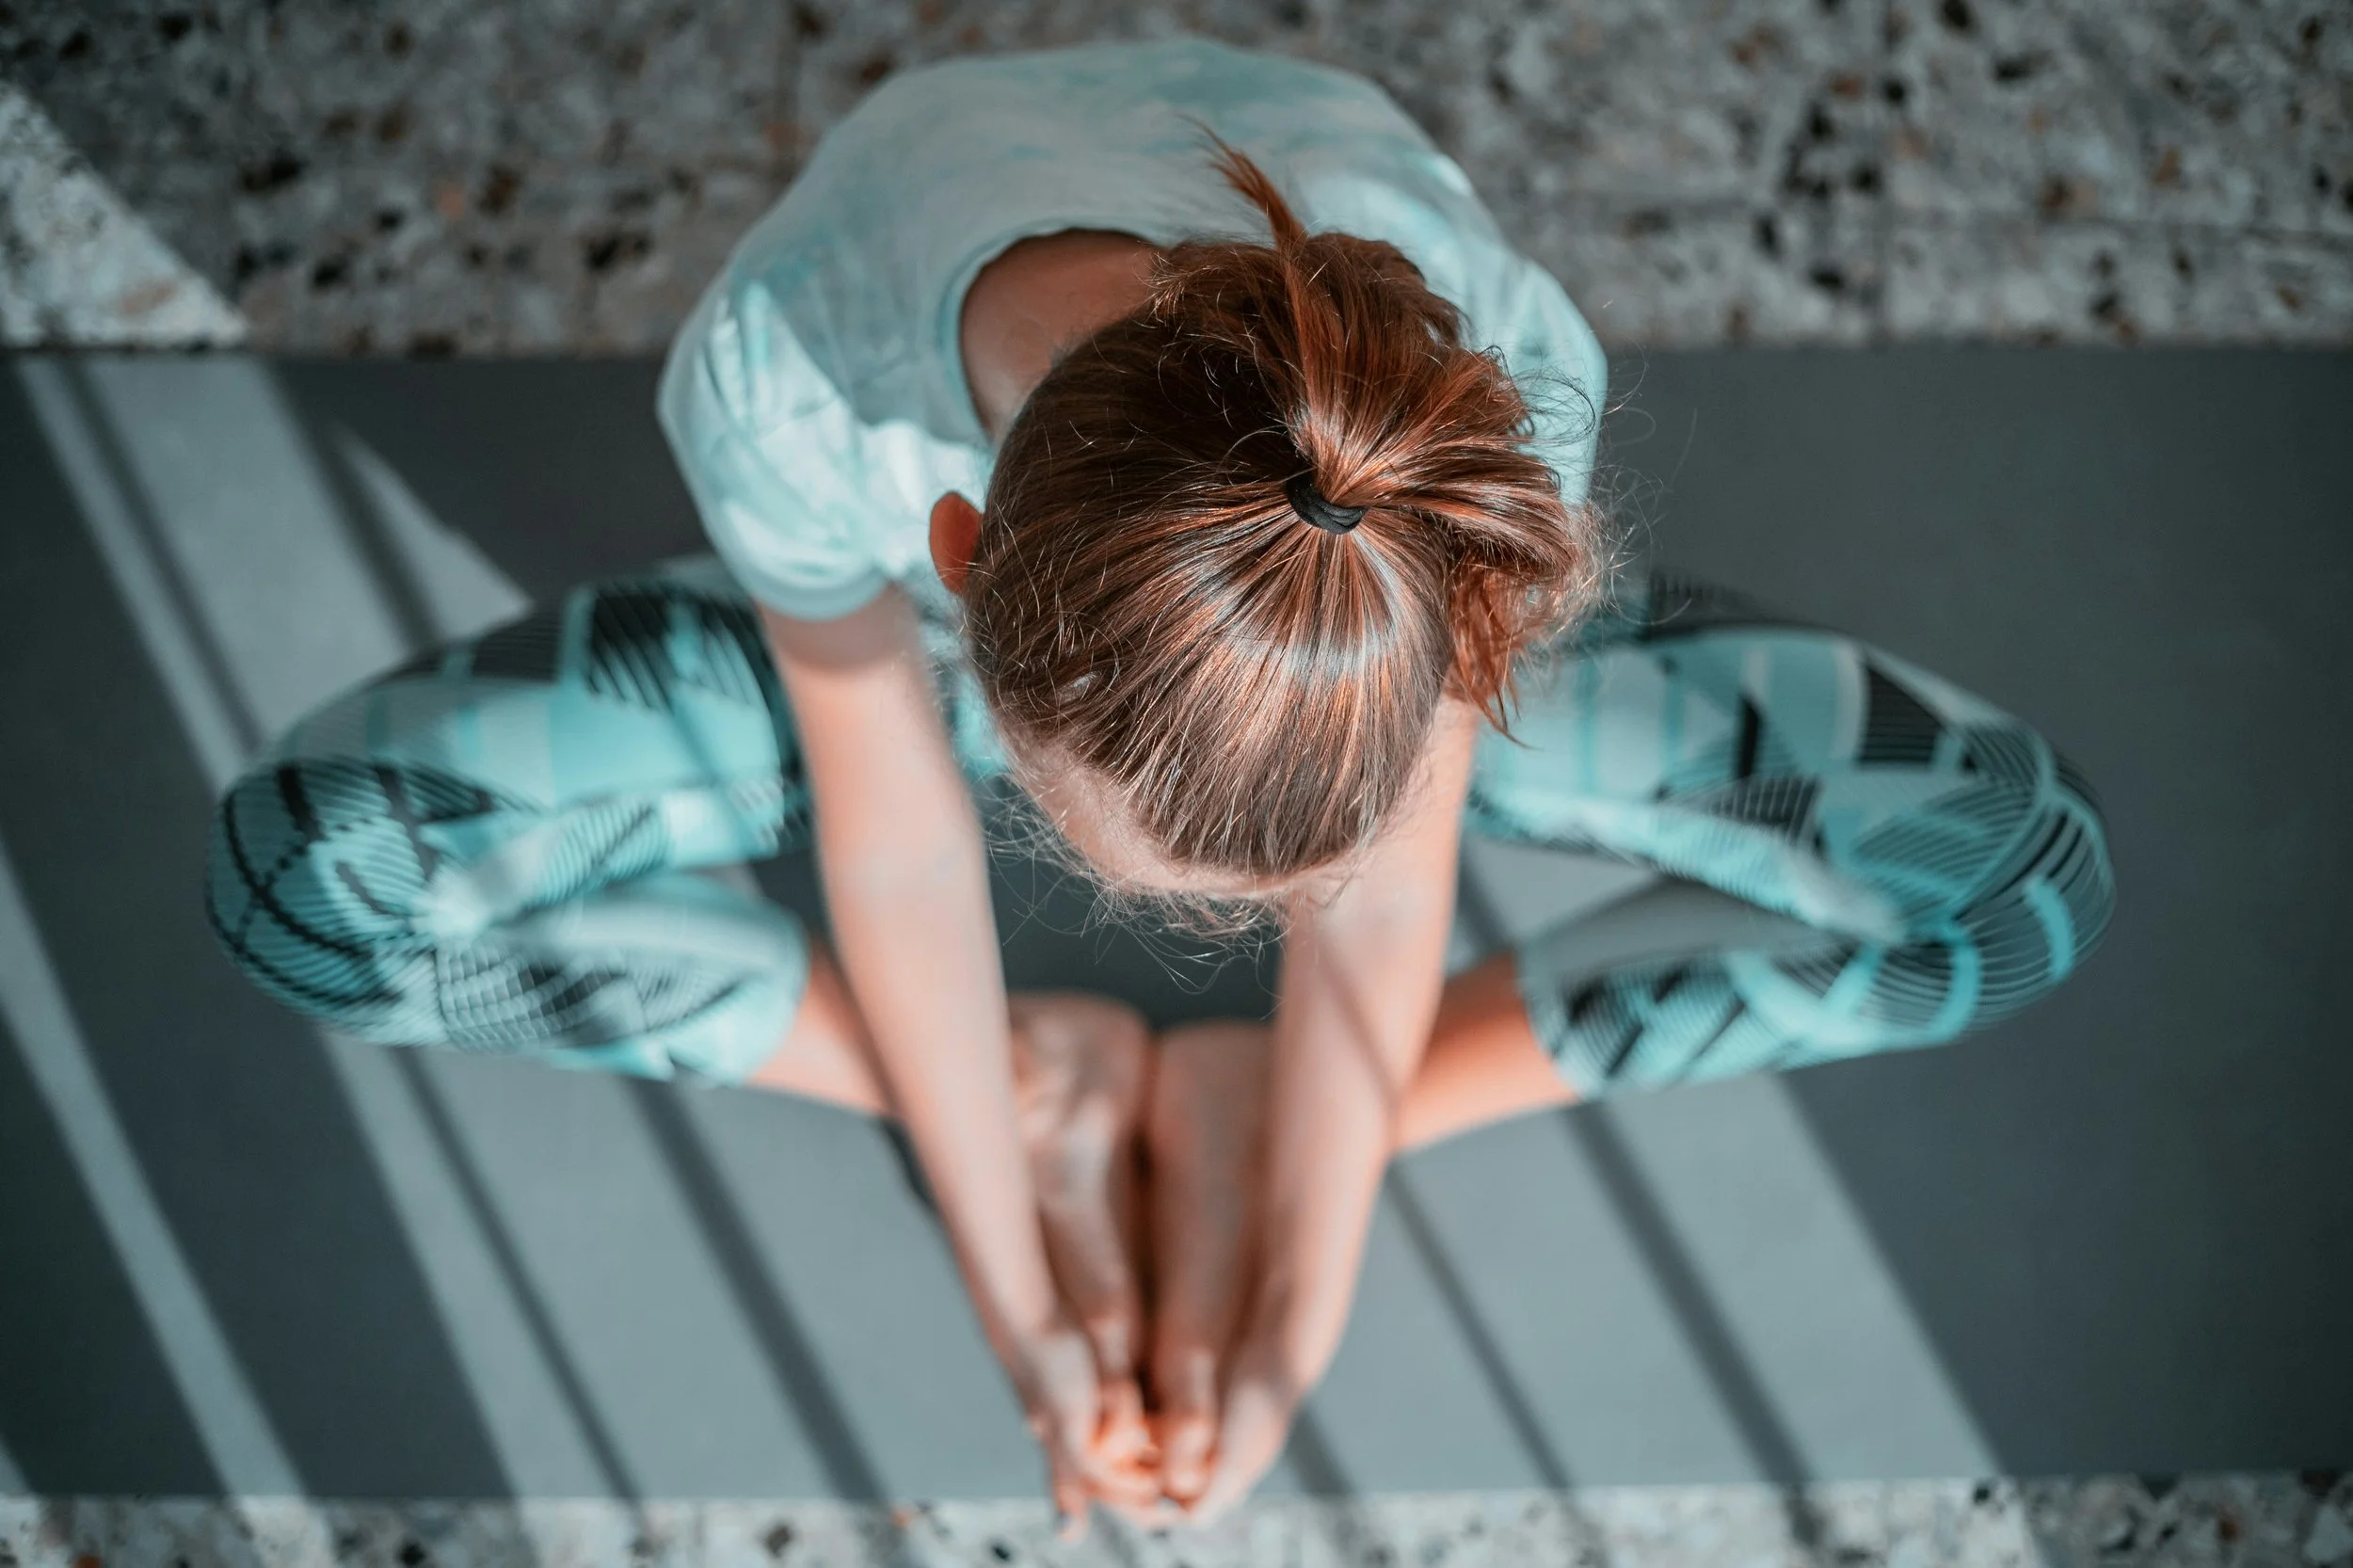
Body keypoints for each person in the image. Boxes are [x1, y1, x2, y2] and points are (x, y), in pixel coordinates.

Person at [205, 38, 2115, 1536]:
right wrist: (1018, 1303)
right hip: (932, 657)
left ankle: (1252, 1093)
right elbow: (897, 835)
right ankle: (1024, 1075)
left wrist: (1300, 1288)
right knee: (302, 881)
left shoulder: (1461, 406)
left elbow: (1386, 876)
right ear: (947, 548)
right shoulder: (792, 375)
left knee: (2014, 877)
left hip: (1349, 641)